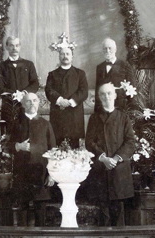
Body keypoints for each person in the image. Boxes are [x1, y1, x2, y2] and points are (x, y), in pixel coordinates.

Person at [85, 83, 135, 226]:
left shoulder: (123, 117)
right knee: (103, 213)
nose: (106, 96)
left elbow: (130, 142)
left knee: (119, 212)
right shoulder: (94, 118)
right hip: (102, 169)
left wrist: (115, 158)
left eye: (109, 93)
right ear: (99, 97)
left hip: (119, 169)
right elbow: (89, 142)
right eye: (102, 94)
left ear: (114, 95)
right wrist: (103, 158)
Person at [9, 92, 56, 226]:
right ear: (23, 104)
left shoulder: (46, 124)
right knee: (21, 214)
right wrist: (18, 146)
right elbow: (7, 146)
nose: (32, 103)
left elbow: (53, 150)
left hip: (41, 175)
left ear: (39, 103)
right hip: (22, 174)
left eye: (35, 100)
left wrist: (51, 175)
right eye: (28, 101)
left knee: (40, 213)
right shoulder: (16, 123)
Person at [45, 35, 88, 148]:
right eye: (62, 54)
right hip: (58, 116)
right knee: (57, 149)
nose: (65, 56)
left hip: (74, 116)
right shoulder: (52, 74)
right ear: (59, 56)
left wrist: (70, 101)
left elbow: (84, 91)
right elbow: (49, 90)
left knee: (74, 151)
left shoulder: (80, 74)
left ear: (72, 56)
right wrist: (60, 100)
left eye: (68, 54)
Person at [0, 36, 39, 133]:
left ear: (20, 47)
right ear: (6, 47)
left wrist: (24, 93)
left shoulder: (29, 64)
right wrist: (13, 94)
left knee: (28, 132)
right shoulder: (1, 66)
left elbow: (35, 84)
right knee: (9, 135)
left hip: (27, 106)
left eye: (17, 45)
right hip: (9, 106)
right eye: (11, 45)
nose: (14, 48)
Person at [94, 37, 135, 112]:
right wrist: (96, 110)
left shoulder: (125, 66)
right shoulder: (99, 67)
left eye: (110, 48)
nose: (107, 51)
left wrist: (131, 110)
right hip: (103, 108)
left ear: (115, 50)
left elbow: (132, 89)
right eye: (105, 48)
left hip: (120, 107)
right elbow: (97, 89)